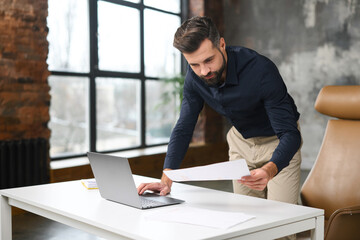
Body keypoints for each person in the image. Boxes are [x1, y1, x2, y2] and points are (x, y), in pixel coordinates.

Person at [137, 16, 302, 209]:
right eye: (194, 64)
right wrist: (166, 179)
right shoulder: (194, 77)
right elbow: (184, 127)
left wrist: (270, 169)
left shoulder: (261, 70)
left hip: (278, 140)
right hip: (241, 142)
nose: (204, 71)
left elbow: (290, 134)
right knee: (248, 218)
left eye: (209, 60)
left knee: (282, 222)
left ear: (222, 44)